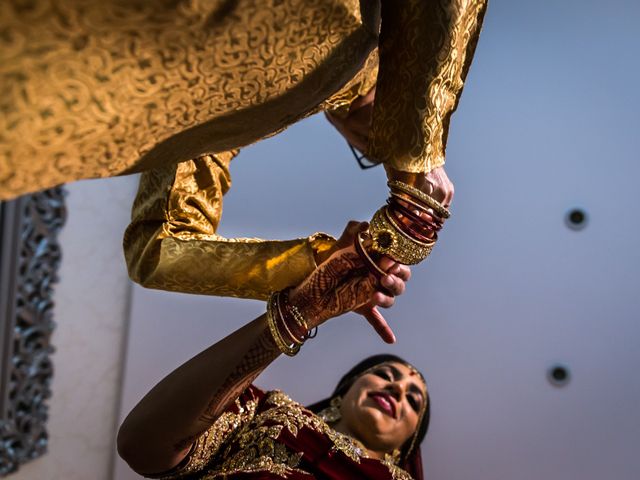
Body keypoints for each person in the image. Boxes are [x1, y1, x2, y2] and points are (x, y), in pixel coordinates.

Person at [117, 225, 429, 479]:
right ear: (341, 396)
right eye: (385, 375)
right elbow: (143, 445)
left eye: (414, 400)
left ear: (405, 447)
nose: (397, 388)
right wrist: (303, 309)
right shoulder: (265, 412)